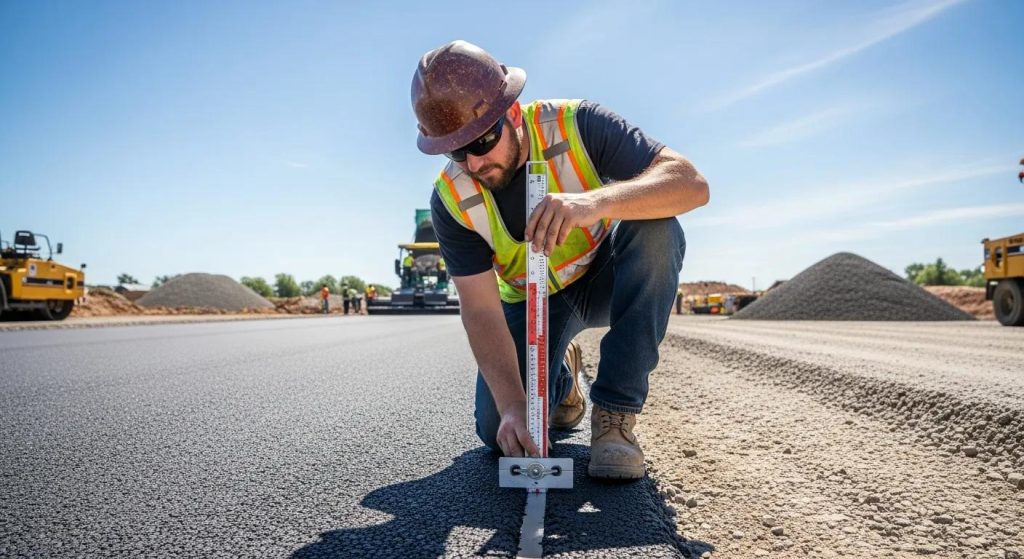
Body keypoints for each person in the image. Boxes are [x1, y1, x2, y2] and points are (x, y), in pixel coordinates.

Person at [413, 41, 709, 479]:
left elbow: (691, 184)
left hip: (607, 277)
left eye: (484, 140)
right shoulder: (452, 200)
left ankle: (614, 418)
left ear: (512, 114)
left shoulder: (576, 125)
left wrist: (596, 203)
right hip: (535, 304)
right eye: (457, 151)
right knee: (497, 429)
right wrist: (514, 407)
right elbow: (478, 308)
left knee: (658, 227)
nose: (473, 162)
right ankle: (564, 380)